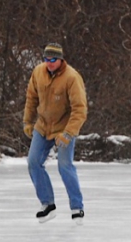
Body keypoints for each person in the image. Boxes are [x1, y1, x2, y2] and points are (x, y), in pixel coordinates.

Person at [23, 42, 88, 224]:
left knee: (64, 166)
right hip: (43, 126)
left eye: (53, 59)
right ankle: (48, 205)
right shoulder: (38, 72)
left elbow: (80, 110)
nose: (49, 63)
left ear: (60, 60)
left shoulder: (72, 77)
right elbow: (31, 98)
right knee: (33, 162)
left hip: (64, 128)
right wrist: (27, 121)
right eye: (46, 59)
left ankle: (77, 208)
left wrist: (67, 134)